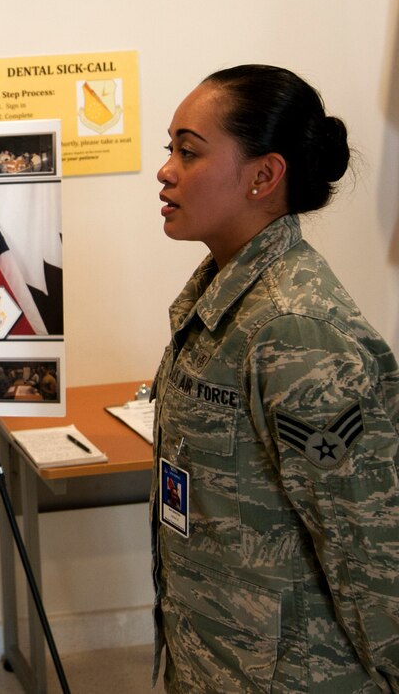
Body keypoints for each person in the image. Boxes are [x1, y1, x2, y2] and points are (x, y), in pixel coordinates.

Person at [151, 64, 399, 692]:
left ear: (264, 175)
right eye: (170, 149)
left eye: (190, 150)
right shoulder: (222, 298)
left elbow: (370, 549)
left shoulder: (295, 328)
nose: (167, 170)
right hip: (213, 656)